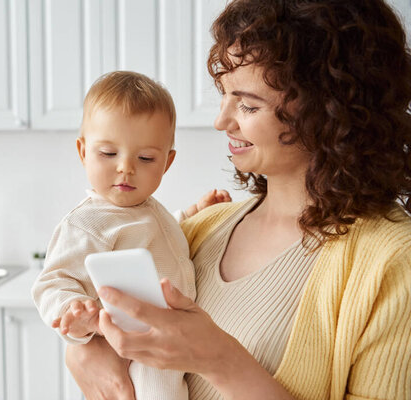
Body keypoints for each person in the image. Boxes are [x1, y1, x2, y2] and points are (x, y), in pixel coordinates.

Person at [64, 0, 411, 399]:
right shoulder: (198, 230)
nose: (222, 121)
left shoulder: (393, 261)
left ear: (329, 111)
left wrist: (218, 358)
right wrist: (84, 350)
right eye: (225, 96)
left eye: (247, 104)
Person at [31, 70, 231, 400]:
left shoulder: (148, 209)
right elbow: (51, 282)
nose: (126, 167)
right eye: (108, 154)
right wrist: (74, 313)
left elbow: (158, 240)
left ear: (167, 163)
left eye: (145, 158)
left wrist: (193, 213)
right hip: (133, 347)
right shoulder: (87, 223)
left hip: (163, 336)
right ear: (83, 152)